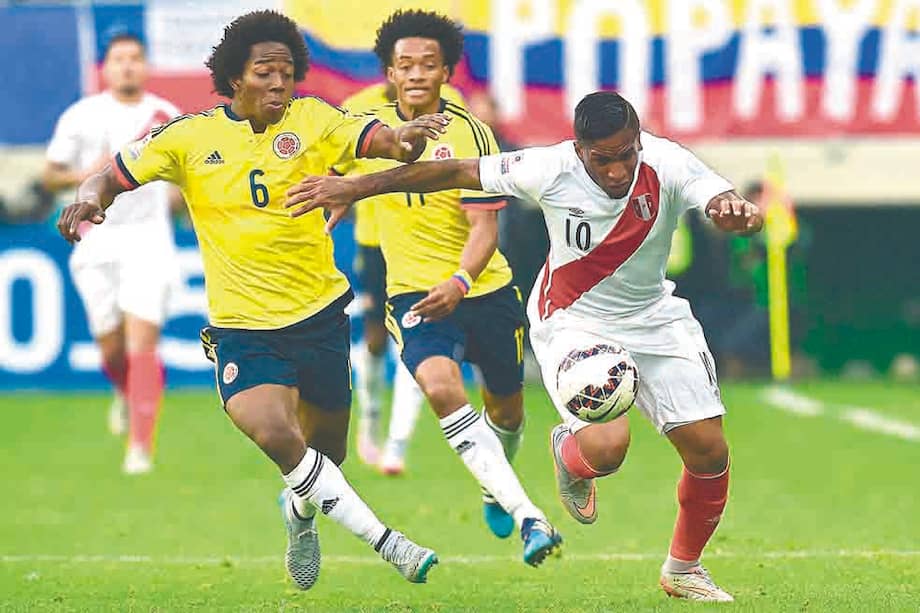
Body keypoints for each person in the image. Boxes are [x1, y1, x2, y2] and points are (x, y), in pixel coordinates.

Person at [285, 91, 765, 601]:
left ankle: (684, 568)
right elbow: (452, 173)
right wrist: (358, 186)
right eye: (605, 159)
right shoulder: (548, 168)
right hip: (572, 321)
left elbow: (715, 195)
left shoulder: (666, 160)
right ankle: (570, 453)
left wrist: (735, 211)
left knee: (709, 451)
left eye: (628, 153)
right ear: (580, 150)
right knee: (607, 451)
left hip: (654, 318)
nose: (620, 169)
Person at [57, 10, 450, 590]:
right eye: (265, 73)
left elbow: (379, 140)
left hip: (319, 319)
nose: (278, 84)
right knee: (273, 432)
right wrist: (90, 199)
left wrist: (405, 140)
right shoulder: (188, 138)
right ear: (235, 78)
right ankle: (388, 543)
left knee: (323, 459)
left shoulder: (315, 120)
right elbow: (109, 177)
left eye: (287, 73)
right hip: (244, 329)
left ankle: (298, 514)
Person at [328, 9, 562, 565]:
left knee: (506, 412)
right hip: (411, 292)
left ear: (447, 72)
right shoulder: (361, 127)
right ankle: (529, 514)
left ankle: (493, 485)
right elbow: (319, 163)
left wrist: (460, 280)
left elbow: (485, 226)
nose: (414, 75)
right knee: (439, 386)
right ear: (387, 72)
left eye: (427, 65)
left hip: (484, 289)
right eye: (403, 65)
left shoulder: (471, 131)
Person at [42, 33, 182, 474]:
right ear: (105, 67)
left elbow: (181, 181)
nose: (127, 66)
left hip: (149, 239)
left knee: (143, 342)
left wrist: (175, 199)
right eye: (118, 59)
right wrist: (88, 174)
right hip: (97, 241)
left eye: (135, 58)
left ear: (145, 65)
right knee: (111, 349)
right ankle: (123, 391)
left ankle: (140, 447)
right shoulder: (82, 115)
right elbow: (50, 176)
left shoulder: (165, 117)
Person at [339, 81, 465, 473]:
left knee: (419, 338)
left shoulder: (452, 105)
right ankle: (371, 420)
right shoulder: (356, 108)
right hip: (375, 243)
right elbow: (335, 166)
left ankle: (397, 444)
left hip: (426, 246)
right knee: (376, 339)